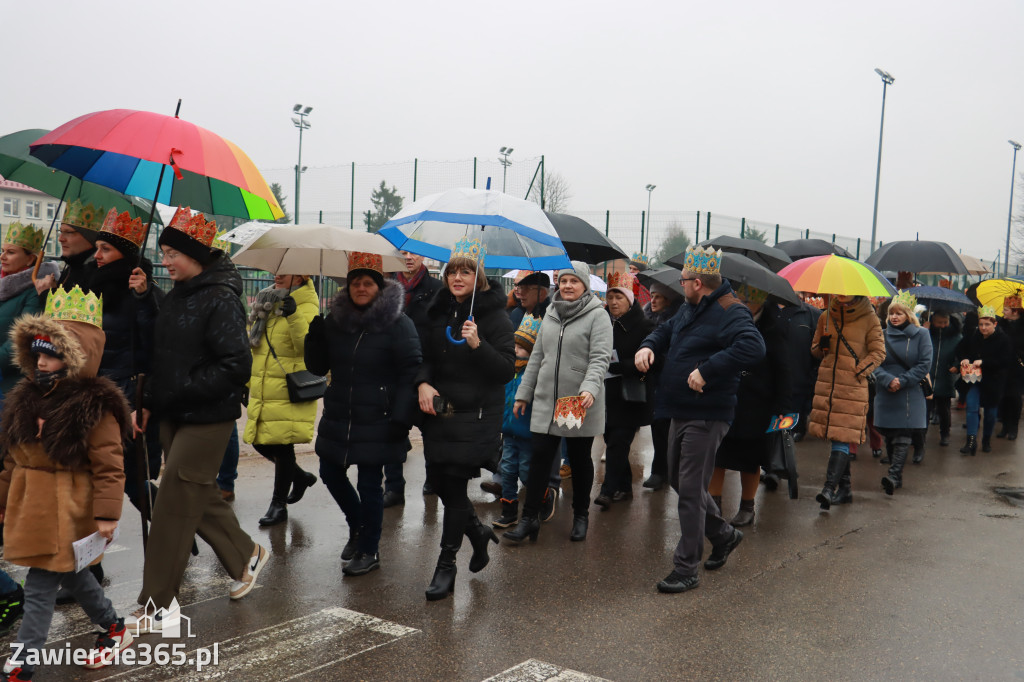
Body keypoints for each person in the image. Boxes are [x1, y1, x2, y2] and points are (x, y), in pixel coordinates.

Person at [128, 207, 266, 629]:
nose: (165, 261)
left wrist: (179, 388)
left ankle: (155, 605)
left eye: (172, 253)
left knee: (172, 499)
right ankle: (246, 555)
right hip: (170, 412)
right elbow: (161, 356)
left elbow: (235, 366)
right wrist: (149, 398)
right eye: (163, 252)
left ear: (196, 255)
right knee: (196, 493)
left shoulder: (222, 297)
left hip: (207, 417)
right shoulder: (177, 293)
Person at [0, 286, 135, 678]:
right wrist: (4, 497)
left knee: (41, 580)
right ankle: (114, 626)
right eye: (37, 354)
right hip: (29, 502)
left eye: (50, 356)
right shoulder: (25, 396)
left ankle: (24, 660)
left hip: (67, 503)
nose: (41, 363)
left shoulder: (94, 406)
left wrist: (107, 515)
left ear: (76, 358)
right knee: (72, 571)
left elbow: (110, 465)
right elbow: (11, 456)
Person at [634, 246, 765, 594]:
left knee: (690, 491)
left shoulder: (729, 310)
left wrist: (707, 371)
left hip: (707, 414)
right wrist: (648, 345)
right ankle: (723, 535)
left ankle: (686, 567)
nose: (680, 285)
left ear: (697, 283)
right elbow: (665, 332)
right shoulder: (690, 308)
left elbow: (753, 347)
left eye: (683, 280)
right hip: (679, 407)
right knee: (678, 479)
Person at [304, 252, 421, 576]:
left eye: (368, 282)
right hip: (340, 413)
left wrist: (400, 417)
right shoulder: (335, 321)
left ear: (379, 286)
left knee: (371, 485)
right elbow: (317, 367)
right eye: (355, 282)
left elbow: (411, 369)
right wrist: (314, 335)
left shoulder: (398, 323)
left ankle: (370, 550)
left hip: (380, 417)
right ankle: (357, 526)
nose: (361, 287)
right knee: (329, 472)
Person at [416, 238, 514, 600]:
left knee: (454, 486)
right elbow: (424, 356)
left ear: (479, 277)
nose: (457, 277)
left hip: (475, 416)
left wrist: (478, 345)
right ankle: (477, 532)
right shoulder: (439, 311)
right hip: (440, 413)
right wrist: (423, 382)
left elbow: (505, 369)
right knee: (441, 484)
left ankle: (446, 566)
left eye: (466, 271)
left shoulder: (495, 317)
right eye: (452, 270)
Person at [506, 261, 612, 544]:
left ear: (584, 285)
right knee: (540, 460)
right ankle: (529, 519)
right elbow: (537, 357)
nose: (567, 285)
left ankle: (580, 516)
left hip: (577, 402)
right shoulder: (551, 312)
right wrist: (523, 393)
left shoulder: (597, 316)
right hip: (545, 401)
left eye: (573, 281)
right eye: (563, 280)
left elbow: (600, 358)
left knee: (579, 460)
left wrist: (590, 387)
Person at [90, 208, 162, 512]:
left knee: (130, 477)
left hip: (128, 396)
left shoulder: (145, 291)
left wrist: (144, 299)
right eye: (97, 248)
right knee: (96, 476)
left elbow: (156, 347)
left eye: (106, 248)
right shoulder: (94, 287)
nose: (98, 255)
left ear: (126, 253)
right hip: (95, 393)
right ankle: (91, 559)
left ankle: (177, 529)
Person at [708, 284, 793, 526]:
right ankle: (713, 505)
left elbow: (783, 370)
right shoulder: (726, 321)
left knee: (751, 458)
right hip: (726, 397)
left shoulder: (774, 328)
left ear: (761, 302)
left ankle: (747, 506)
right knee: (718, 455)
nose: (744, 304)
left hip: (758, 403)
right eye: (741, 300)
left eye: (749, 301)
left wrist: (783, 409)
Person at [243, 273, 320, 527]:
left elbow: (306, 347)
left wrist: (294, 315)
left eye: (286, 269)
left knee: (282, 445)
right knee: (259, 441)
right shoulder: (268, 300)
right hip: (265, 385)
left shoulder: (307, 305)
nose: (278, 273)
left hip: (288, 387)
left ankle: (278, 505)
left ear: (300, 274)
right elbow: (255, 346)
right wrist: (246, 382)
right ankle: (300, 477)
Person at [809, 294, 885, 509]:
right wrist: (821, 346)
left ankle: (828, 488)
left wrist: (858, 371)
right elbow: (815, 350)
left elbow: (878, 352)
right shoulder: (826, 316)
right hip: (828, 386)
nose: (841, 293)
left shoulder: (870, 318)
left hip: (852, 387)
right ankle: (845, 490)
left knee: (842, 438)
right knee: (837, 437)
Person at [386, 250, 443, 505]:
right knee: (393, 428)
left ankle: (432, 478)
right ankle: (394, 487)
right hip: (394, 370)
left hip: (426, 369)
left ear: (424, 257)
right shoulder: (388, 287)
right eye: (402, 253)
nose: (408, 257)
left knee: (430, 427)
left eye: (414, 253)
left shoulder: (437, 289)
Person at [595, 272, 655, 509]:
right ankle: (625, 487)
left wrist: (622, 366)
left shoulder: (644, 325)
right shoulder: (603, 322)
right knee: (611, 439)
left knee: (617, 443)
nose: (613, 302)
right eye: (610, 296)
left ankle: (607, 490)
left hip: (631, 395)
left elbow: (655, 360)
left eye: (618, 296)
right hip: (606, 394)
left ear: (630, 299)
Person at [872, 291, 932, 495]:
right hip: (885, 389)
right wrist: (888, 380)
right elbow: (873, 361)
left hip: (910, 391)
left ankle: (894, 474)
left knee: (903, 433)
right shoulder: (880, 335)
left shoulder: (921, 334)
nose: (894, 317)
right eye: (891, 314)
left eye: (899, 313)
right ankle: (895, 476)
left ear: (909, 314)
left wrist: (903, 380)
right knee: (889, 434)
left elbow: (925, 364)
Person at [493, 315, 542, 529]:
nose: (515, 350)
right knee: (508, 471)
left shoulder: (534, 375)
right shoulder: (508, 371)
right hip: (509, 433)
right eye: (514, 345)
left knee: (525, 471)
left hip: (528, 434)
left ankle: (542, 498)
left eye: (521, 348)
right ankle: (509, 511)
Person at [0, 222, 60, 394]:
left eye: (10, 252)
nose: (2, 256)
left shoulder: (35, 290)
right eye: (2, 250)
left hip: (11, 383)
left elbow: (21, 339)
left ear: (30, 258)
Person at [641, 281, 683, 491]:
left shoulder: (676, 320)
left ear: (669, 299)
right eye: (652, 295)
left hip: (668, 379)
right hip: (651, 380)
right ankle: (662, 470)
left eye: (658, 296)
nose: (653, 300)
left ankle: (661, 471)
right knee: (657, 425)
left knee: (663, 427)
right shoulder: (646, 317)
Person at [956, 305, 1013, 455]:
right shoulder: (974, 336)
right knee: (971, 409)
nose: (983, 327)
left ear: (994, 324)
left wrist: (984, 362)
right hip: (974, 378)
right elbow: (961, 348)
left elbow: (1005, 361)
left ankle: (986, 439)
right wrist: (964, 358)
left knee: (990, 414)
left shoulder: (1003, 339)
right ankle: (971, 441)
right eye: (981, 324)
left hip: (994, 382)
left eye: (987, 324)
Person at [32, 198, 99, 295]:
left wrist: (47, 294)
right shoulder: (70, 268)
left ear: (89, 238)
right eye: (61, 232)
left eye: (68, 232)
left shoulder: (95, 275)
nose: (60, 239)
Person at [927, 311, 962, 447]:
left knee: (944, 409)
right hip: (928, 377)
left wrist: (956, 365)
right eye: (939, 322)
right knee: (925, 409)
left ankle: (945, 434)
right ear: (933, 322)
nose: (942, 325)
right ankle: (920, 435)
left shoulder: (956, 337)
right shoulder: (926, 333)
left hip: (945, 376)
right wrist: (923, 330)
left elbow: (961, 354)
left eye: (945, 322)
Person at [996, 298, 1024, 440]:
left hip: (1018, 369)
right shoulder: (1001, 324)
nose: (1002, 311)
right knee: (1003, 398)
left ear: (1015, 311)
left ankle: (1013, 428)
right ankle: (1005, 427)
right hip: (1003, 367)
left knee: (1015, 398)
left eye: (1006, 309)